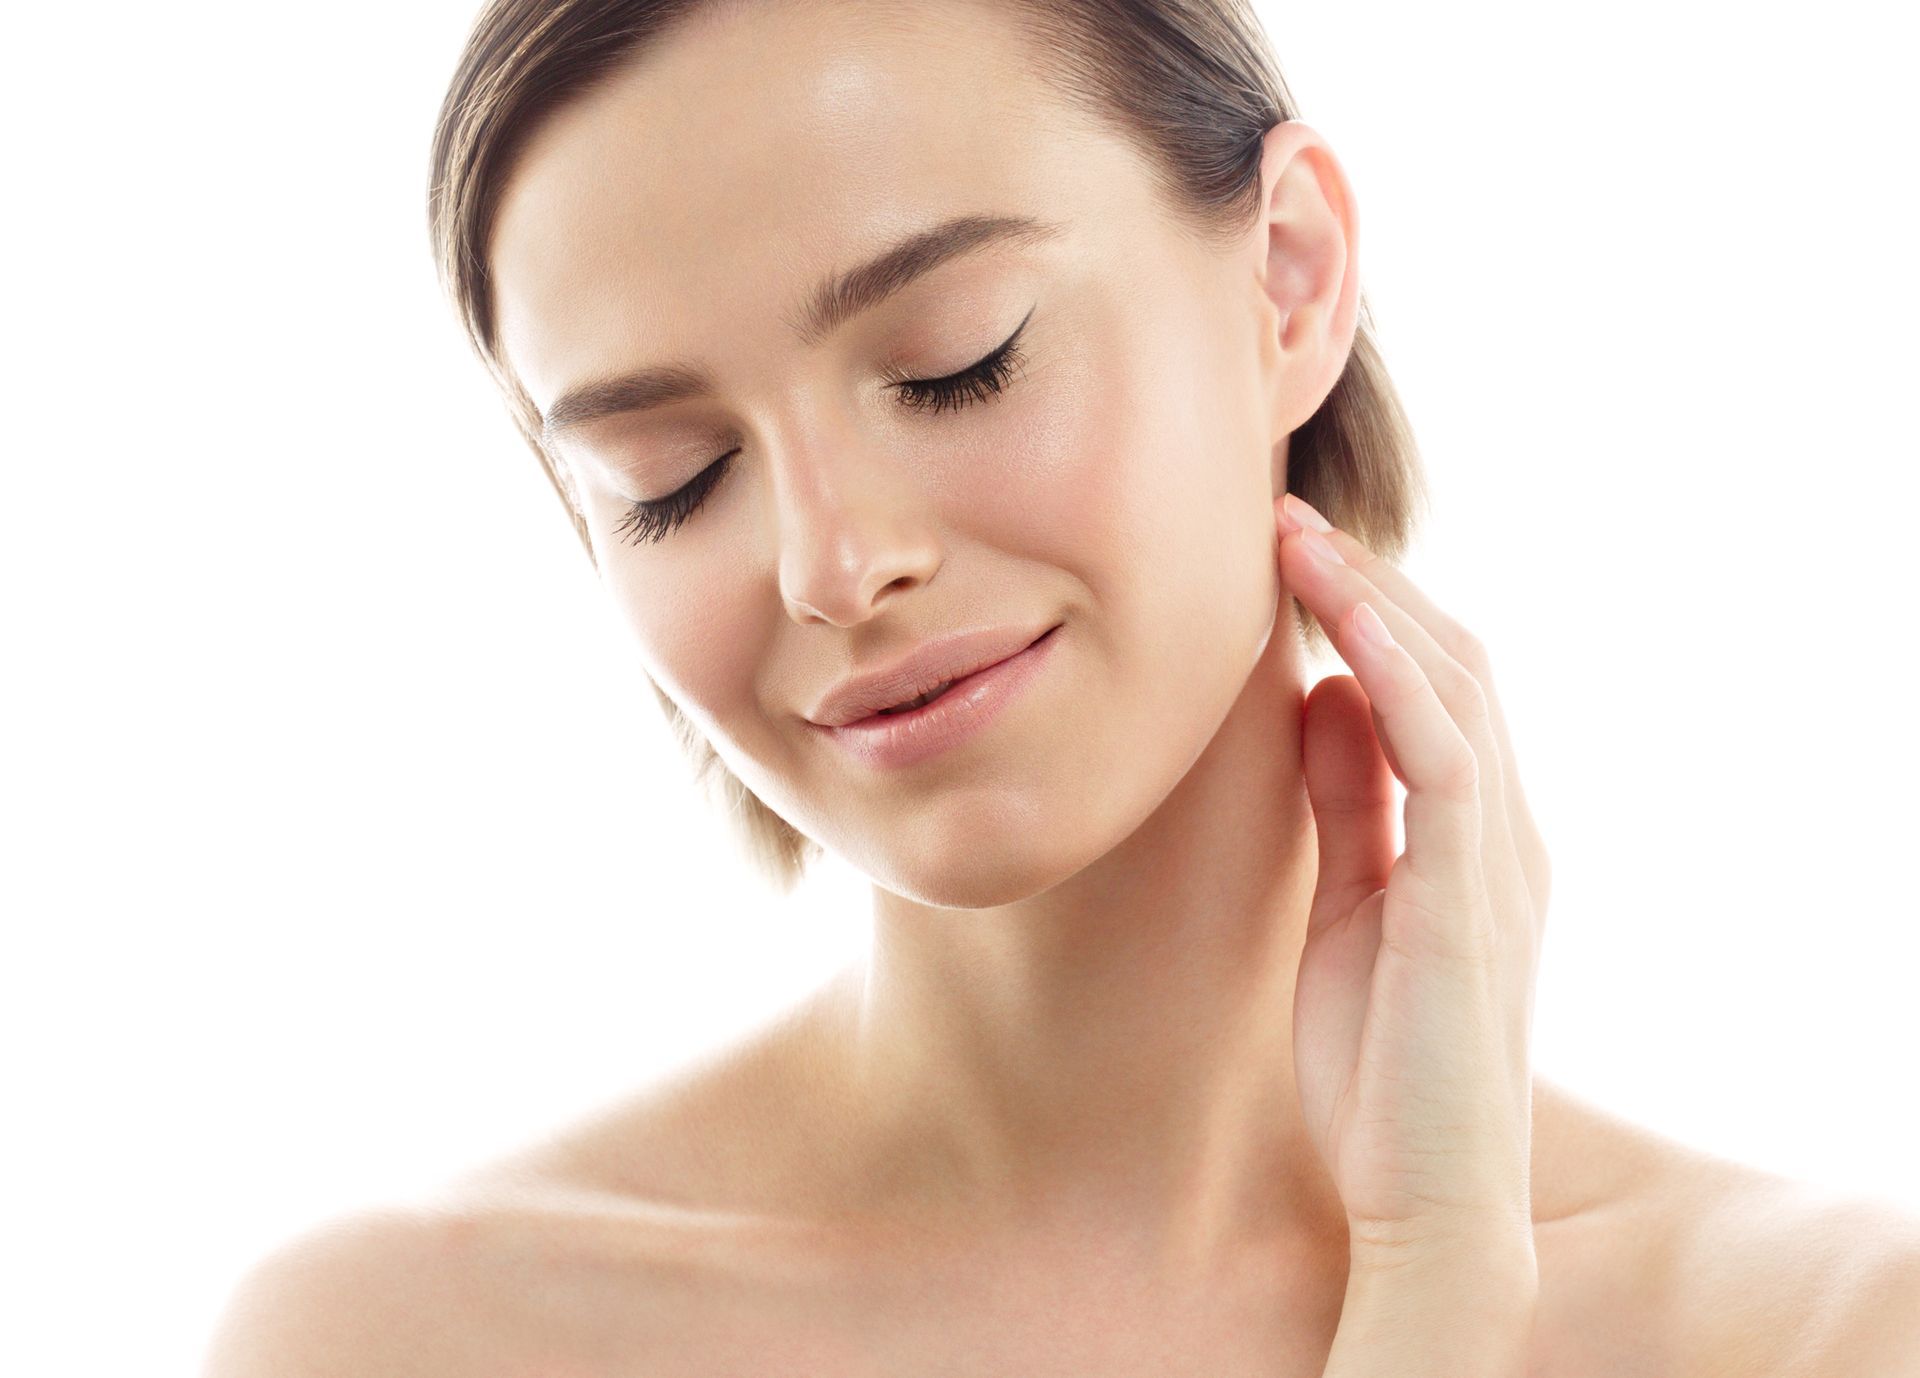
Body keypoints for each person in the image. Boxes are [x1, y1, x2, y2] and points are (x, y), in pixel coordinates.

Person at [205, 0, 1920, 1372]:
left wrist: (1446, 1267)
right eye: (668, 474)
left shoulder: (1826, 1335)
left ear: (1289, 277)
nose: (829, 564)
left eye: (957, 362)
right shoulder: (414, 1342)